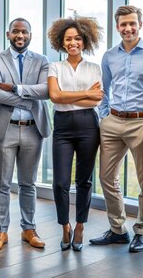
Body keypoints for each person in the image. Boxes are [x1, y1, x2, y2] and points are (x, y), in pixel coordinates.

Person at [90, 5, 143, 253]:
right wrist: (104, 116)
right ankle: (118, 230)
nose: (128, 28)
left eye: (132, 23)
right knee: (106, 178)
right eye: (123, 24)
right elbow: (104, 90)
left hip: (142, 123)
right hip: (113, 122)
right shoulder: (109, 56)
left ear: (140, 25)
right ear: (117, 26)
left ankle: (142, 231)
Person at [0, 18, 51, 252]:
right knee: (1, 183)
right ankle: (0, 231)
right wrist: (28, 95)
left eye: (24, 32)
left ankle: (29, 229)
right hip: (5, 128)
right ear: (8, 34)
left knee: (28, 183)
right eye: (16, 31)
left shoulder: (42, 61)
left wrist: (13, 88)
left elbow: (45, 91)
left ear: (31, 35)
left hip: (34, 128)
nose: (20, 35)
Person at [47, 16, 103, 252]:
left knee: (84, 181)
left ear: (85, 41)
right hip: (62, 126)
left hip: (88, 125)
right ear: (61, 42)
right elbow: (55, 97)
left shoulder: (94, 68)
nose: (73, 43)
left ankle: (80, 225)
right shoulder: (55, 66)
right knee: (60, 182)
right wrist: (84, 95)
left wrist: (70, 95)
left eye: (77, 38)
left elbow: (98, 98)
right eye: (68, 39)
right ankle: (65, 226)